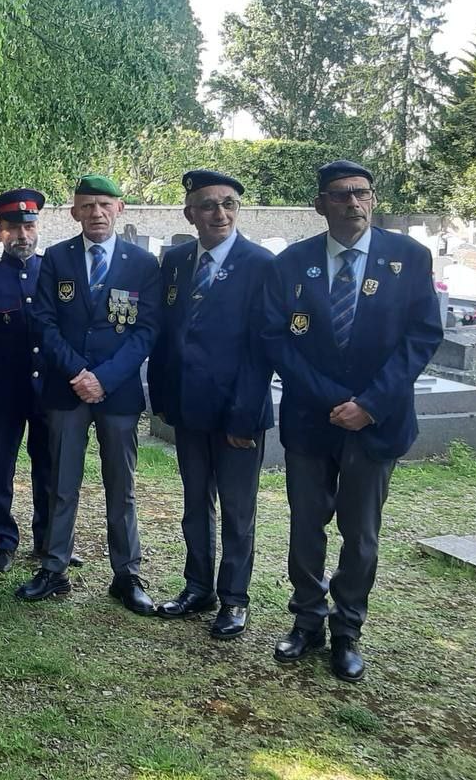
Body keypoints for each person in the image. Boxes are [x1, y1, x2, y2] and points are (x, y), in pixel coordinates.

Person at [262, 159, 441, 682]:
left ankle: (347, 630)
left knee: (360, 533)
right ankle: (307, 620)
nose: (352, 203)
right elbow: (276, 339)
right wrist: (334, 400)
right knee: (305, 527)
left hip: (375, 422)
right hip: (312, 422)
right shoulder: (292, 263)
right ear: (320, 204)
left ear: (373, 198)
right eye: (339, 195)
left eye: (361, 193)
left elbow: (422, 336)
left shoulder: (408, 257)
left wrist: (370, 404)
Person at [21, 174, 160, 614]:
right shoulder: (57, 258)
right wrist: (79, 372)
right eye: (86, 206)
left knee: (121, 486)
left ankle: (127, 574)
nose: (96, 213)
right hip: (67, 390)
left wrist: (105, 377)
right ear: (74, 212)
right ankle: (54, 567)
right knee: (62, 482)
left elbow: (146, 331)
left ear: (120, 209)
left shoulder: (142, 263)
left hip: (116, 394)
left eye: (104, 204)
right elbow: (44, 322)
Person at [147, 170, 275, 640]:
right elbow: (165, 335)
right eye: (208, 205)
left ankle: (235, 599)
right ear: (190, 213)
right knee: (194, 503)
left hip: (238, 413)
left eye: (228, 204)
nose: (219, 213)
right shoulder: (176, 261)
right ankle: (197, 586)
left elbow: (263, 349)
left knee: (239, 512)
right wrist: (160, 396)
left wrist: (243, 415)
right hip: (187, 408)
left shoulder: (261, 264)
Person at [0, 188, 51, 573]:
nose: (23, 235)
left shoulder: (54, 272)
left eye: (29, 226)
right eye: (13, 228)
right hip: (2, 390)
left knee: (48, 467)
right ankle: (3, 541)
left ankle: (47, 541)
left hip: (47, 392)